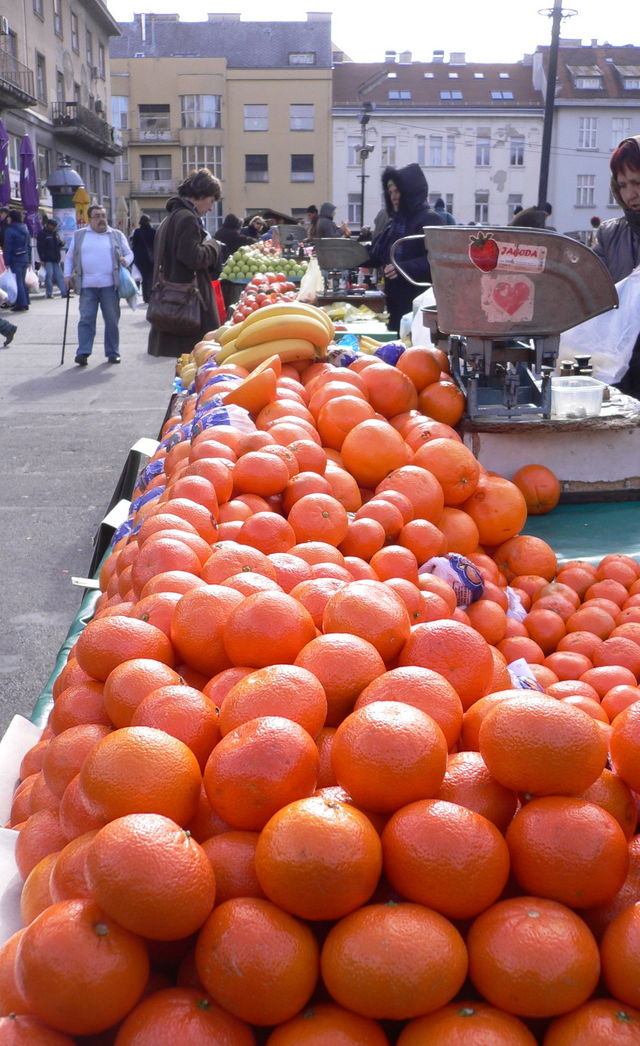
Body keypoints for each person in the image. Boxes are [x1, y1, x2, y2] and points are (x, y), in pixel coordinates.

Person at [147, 167, 222, 358]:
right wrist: (213, 246)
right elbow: (194, 257)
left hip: (173, 297)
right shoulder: (188, 218)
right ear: (201, 195)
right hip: (188, 303)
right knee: (195, 360)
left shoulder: (171, 217)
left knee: (185, 362)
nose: (211, 207)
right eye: (211, 201)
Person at [366, 163, 443, 333]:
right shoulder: (394, 223)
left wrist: (403, 268)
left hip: (418, 302)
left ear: (411, 192)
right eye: (390, 192)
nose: (393, 197)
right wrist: (347, 253)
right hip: (395, 301)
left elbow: (438, 261)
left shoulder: (430, 220)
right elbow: (379, 253)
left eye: (398, 191)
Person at [592, 134, 640, 398]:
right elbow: (588, 291)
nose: (630, 194)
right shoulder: (609, 235)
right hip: (619, 370)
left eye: (637, 183)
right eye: (622, 185)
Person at [63, 204, 133, 366]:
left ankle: (113, 352)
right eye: (97, 216)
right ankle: (83, 353)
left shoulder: (116, 234)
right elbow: (70, 257)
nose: (101, 219)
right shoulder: (80, 235)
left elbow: (129, 253)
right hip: (87, 286)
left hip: (110, 286)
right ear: (90, 219)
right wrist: (67, 275)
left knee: (111, 320)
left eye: (103, 216)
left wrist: (126, 260)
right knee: (86, 319)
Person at [3, 209, 31, 312]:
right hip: (24, 258)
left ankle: (21, 304)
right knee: (22, 282)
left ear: (12, 218)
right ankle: (26, 302)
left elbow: (8, 247)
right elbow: (29, 246)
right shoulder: (25, 228)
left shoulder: (10, 230)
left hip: (15, 258)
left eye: (8, 217)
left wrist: (7, 262)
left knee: (17, 282)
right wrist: (29, 260)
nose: (7, 219)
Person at [36, 218, 68, 299]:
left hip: (56, 258)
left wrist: (62, 243)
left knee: (59, 276)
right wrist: (42, 259)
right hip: (47, 259)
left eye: (55, 226)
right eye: (53, 226)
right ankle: (49, 293)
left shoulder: (55, 233)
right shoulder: (42, 234)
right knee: (48, 277)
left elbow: (58, 244)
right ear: (48, 225)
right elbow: (40, 247)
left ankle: (64, 293)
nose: (54, 227)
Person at [130, 214, 156, 304]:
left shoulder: (137, 231)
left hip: (139, 258)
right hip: (150, 258)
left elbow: (133, 245)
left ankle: (145, 297)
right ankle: (149, 296)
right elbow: (155, 245)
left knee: (144, 278)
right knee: (150, 277)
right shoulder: (153, 231)